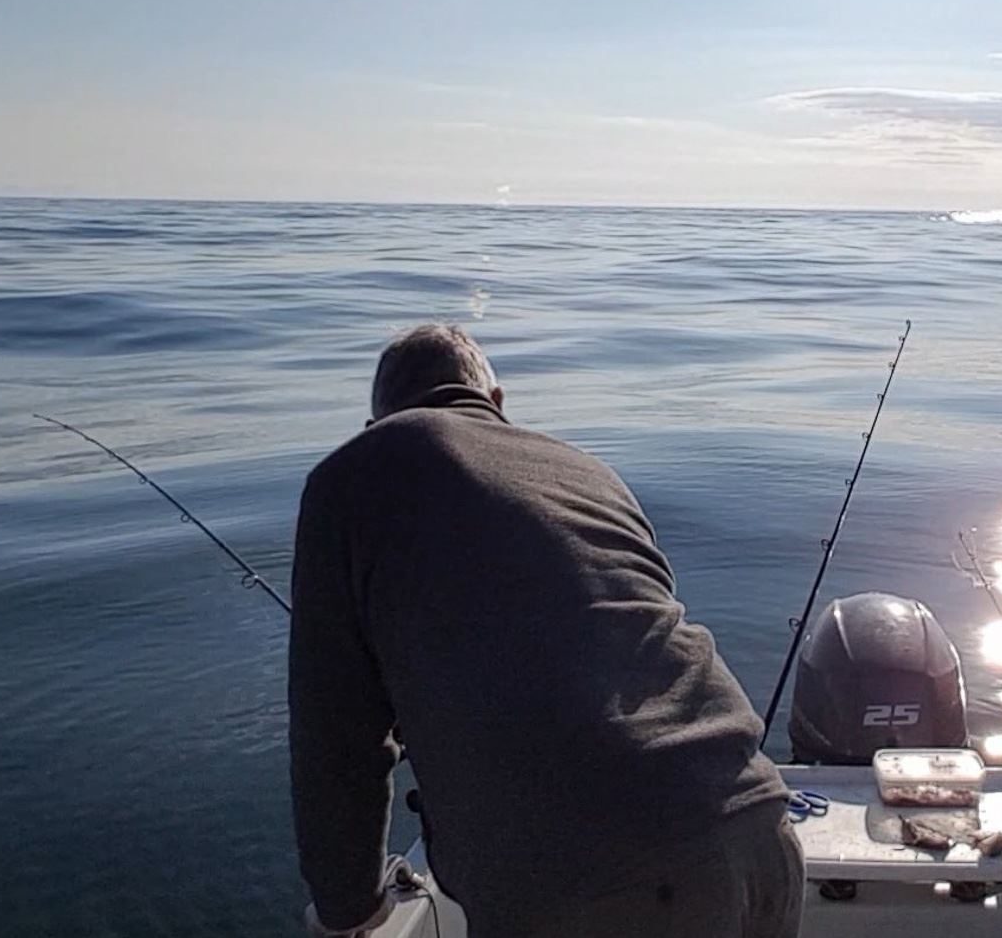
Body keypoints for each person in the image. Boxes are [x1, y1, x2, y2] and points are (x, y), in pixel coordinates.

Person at [289, 323, 803, 937]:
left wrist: (349, 907)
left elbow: (335, 732)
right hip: (757, 829)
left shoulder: (347, 478)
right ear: (497, 404)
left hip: (585, 887)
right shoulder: (589, 472)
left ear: (376, 423)